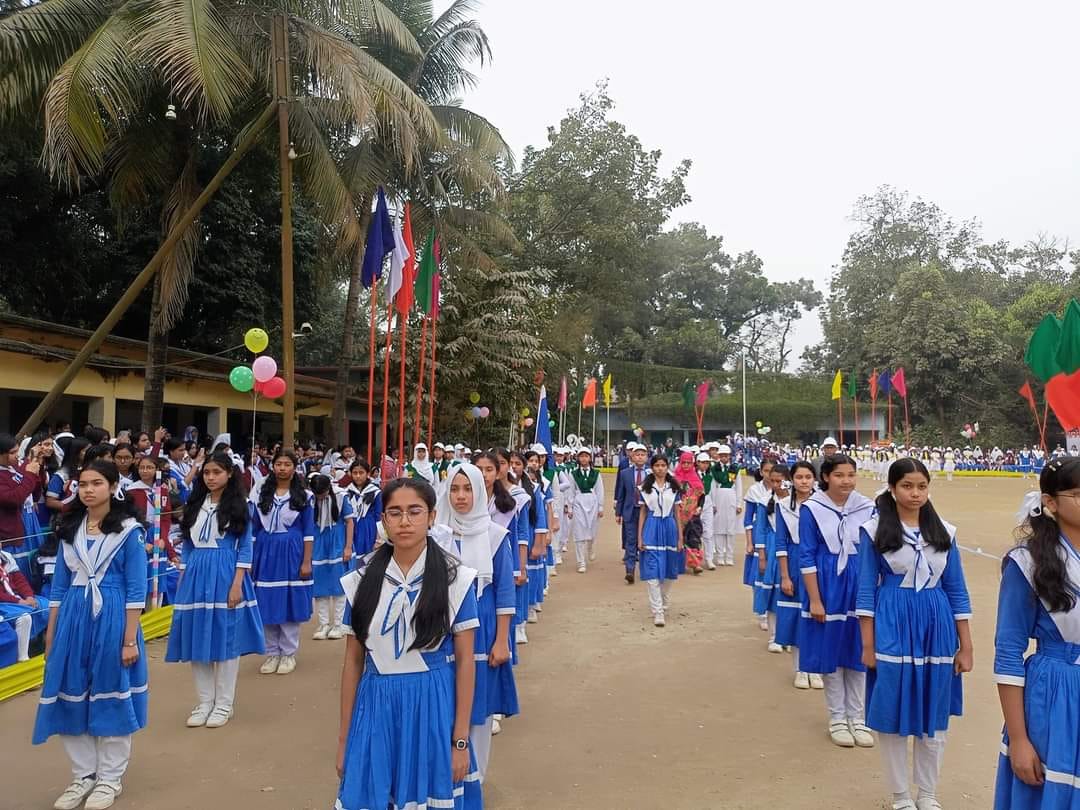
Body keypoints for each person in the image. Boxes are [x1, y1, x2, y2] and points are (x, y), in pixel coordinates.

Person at [335, 478, 482, 810]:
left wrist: (460, 741)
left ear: (431, 517)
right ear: (383, 520)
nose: (404, 521)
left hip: (432, 706)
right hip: (376, 706)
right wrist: (345, 740)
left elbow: (465, 662)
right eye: (395, 512)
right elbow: (353, 662)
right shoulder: (361, 581)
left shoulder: (456, 579)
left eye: (414, 511)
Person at [857, 457, 972, 810]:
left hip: (937, 626)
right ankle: (900, 795)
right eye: (907, 486)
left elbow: (957, 589)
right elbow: (865, 590)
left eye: (922, 486)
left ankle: (928, 793)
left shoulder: (945, 533)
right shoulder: (874, 531)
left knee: (934, 712)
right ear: (892, 488)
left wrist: (966, 645)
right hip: (893, 622)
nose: (915, 493)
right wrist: (868, 644)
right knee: (892, 710)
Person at [33, 460, 148, 810]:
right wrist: (51, 633)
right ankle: (83, 774)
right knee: (69, 689)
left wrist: (129, 639)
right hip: (73, 615)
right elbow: (59, 587)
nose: (88, 490)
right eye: (82, 484)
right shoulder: (70, 529)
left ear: (113, 487)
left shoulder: (128, 531)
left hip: (113, 615)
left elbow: (136, 588)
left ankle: (110, 778)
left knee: (110, 692)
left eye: (96, 483)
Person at [993, 457, 1080, 809]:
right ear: (1050, 502)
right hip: (1054, 693)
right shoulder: (1028, 564)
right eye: (1078, 494)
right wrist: (1018, 739)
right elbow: (1008, 652)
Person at [165, 451, 264, 729]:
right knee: (198, 638)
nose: (210, 477)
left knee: (226, 638)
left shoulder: (240, 506)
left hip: (226, 572)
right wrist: (184, 575)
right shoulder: (195, 504)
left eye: (217, 472)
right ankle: (205, 701)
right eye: (206, 472)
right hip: (196, 573)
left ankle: (224, 703)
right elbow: (188, 545)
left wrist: (237, 583)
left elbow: (245, 547)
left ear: (229, 474)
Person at [433, 464, 517, 781]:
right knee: (445, 699)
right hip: (442, 628)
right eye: (454, 489)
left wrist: (502, 640)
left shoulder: (494, 536)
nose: (461, 496)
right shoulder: (436, 534)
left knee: (479, 707)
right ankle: (447, 778)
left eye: (468, 489)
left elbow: (505, 591)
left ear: (480, 492)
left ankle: (475, 780)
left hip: (482, 628)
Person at [799, 453, 876, 749]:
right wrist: (815, 599)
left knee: (858, 650)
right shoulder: (812, 508)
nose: (846, 481)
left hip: (858, 581)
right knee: (831, 652)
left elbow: (875, 551)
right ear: (826, 477)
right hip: (827, 582)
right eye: (839, 475)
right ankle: (837, 718)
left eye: (851, 475)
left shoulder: (867, 507)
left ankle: (858, 717)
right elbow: (806, 554)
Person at [252, 450, 315, 675]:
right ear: (272, 466)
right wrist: (250, 560)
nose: (282, 468)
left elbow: (308, 532)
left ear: (294, 468)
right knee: (267, 602)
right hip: (265, 552)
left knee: (289, 603)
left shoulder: (304, 496)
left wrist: (306, 561)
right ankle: (272, 652)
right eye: (278, 463)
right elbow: (253, 530)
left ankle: (288, 653)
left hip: (291, 552)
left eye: (287, 464)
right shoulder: (261, 494)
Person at [775, 461, 820, 689]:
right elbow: (781, 543)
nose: (804, 481)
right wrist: (785, 576)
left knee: (817, 616)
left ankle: (815, 668)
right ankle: (800, 669)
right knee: (796, 619)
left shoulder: (823, 504)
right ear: (791, 480)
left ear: (815, 479)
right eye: (799, 477)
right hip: (794, 561)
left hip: (818, 562)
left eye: (808, 477)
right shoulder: (783, 506)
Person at [637, 455, 683, 627]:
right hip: (651, 527)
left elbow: (677, 513)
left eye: (663, 465)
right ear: (652, 467)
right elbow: (642, 513)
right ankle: (658, 611)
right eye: (657, 465)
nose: (660, 468)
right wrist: (640, 536)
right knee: (652, 571)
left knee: (670, 569)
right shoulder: (645, 488)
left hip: (669, 528)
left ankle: (664, 597)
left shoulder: (674, 487)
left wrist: (680, 537)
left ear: (667, 467)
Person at [310, 473, 352, 640]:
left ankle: (339, 624)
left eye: (322, 493)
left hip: (337, 541)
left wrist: (348, 547)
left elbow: (350, 522)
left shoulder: (341, 497)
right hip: (318, 542)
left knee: (339, 585)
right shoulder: (310, 499)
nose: (320, 497)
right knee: (320, 585)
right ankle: (323, 624)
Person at [0, 433, 46, 582]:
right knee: (15, 578)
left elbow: (33, 491)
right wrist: (30, 474)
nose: (17, 455)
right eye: (12, 452)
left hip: (22, 527)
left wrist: (35, 462)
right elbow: (15, 498)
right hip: (7, 538)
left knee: (30, 571)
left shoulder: (12, 469)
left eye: (17, 451)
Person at [756, 464, 791, 653]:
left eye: (780, 481)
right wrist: (762, 556)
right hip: (772, 548)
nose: (776, 485)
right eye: (773, 481)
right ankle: (775, 636)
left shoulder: (798, 500)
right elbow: (760, 529)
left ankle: (789, 637)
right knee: (773, 594)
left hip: (793, 548)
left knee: (792, 592)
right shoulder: (765, 501)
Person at [744, 459, 775, 630]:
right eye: (767, 471)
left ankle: (773, 611)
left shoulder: (784, 489)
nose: (770, 474)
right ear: (761, 472)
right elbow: (748, 519)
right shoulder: (754, 491)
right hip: (759, 534)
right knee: (759, 574)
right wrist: (749, 542)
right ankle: (761, 613)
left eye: (773, 470)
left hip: (777, 535)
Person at [614, 443, 649, 584]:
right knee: (630, 540)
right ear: (632, 457)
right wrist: (618, 513)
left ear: (646, 457)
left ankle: (646, 569)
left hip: (646, 512)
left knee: (645, 540)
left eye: (642, 455)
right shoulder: (625, 473)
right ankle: (630, 570)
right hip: (630, 511)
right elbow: (621, 494)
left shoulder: (651, 473)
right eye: (637, 455)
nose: (640, 457)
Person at [567, 448, 604, 573]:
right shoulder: (573, 474)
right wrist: (570, 507)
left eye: (586, 456)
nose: (584, 458)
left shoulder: (596, 474)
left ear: (590, 458)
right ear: (578, 458)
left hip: (592, 502)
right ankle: (581, 561)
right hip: (579, 502)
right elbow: (571, 491)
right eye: (581, 456)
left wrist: (600, 506)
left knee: (592, 529)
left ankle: (590, 546)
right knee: (579, 532)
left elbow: (600, 490)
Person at [707, 444, 743, 567]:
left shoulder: (735, 468)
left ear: (729, 456)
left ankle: (729, 556)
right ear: (719, 456)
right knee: (719, 529)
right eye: (721, 455)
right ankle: (720, 556)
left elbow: (738, 487)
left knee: (730, 529)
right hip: (719, 497)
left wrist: (739, 503)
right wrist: (713, 503)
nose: (724, 458)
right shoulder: (714, 469)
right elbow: (712, 487)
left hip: (731, 497)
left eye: (726, 456)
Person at [343, 460, 381, 562]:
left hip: (368, 529)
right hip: (350, 528)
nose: (358, 476)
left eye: (361, 473)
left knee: (367, 561)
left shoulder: (375, 492)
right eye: (355, 473)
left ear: (368, 473)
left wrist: (378, 539)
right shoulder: (346, 492)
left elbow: (379, 517)